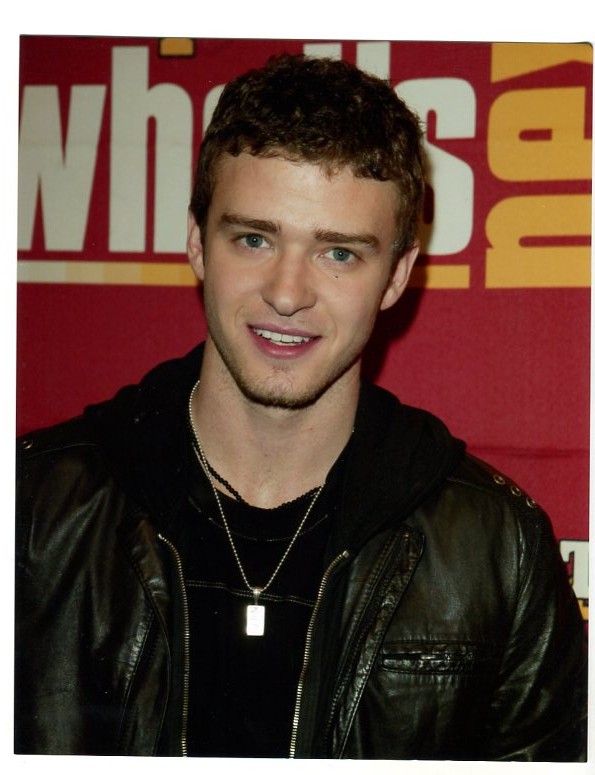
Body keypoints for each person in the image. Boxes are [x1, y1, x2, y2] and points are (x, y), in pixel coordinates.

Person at [15, 53, 587, 760]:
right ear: (197, 243)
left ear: (396, 276)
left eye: (338, 253)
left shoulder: (499, 550)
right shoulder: (31, 512)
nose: (287, 294)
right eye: (254, 239)